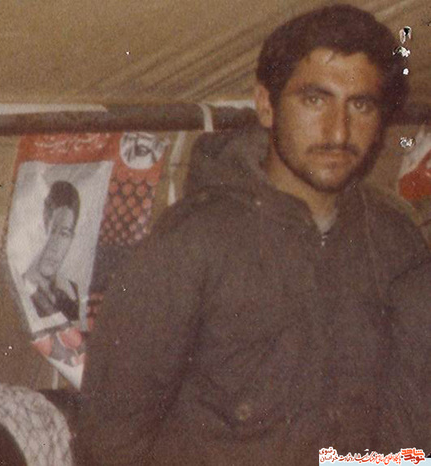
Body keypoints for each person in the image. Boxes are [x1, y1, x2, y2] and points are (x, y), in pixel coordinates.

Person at [76, 5, 431, 465]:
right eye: (315, 100)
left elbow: (411, 427)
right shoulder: (191, 243)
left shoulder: (394, 243)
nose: (338, 130)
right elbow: (109, 436)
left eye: (360, 105)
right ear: (266, 105)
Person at [23, 180, 80, 323]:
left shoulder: (73, 294)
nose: (54, 246)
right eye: (49, 231)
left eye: (64, 234)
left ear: (71, 239)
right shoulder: (16, 287)